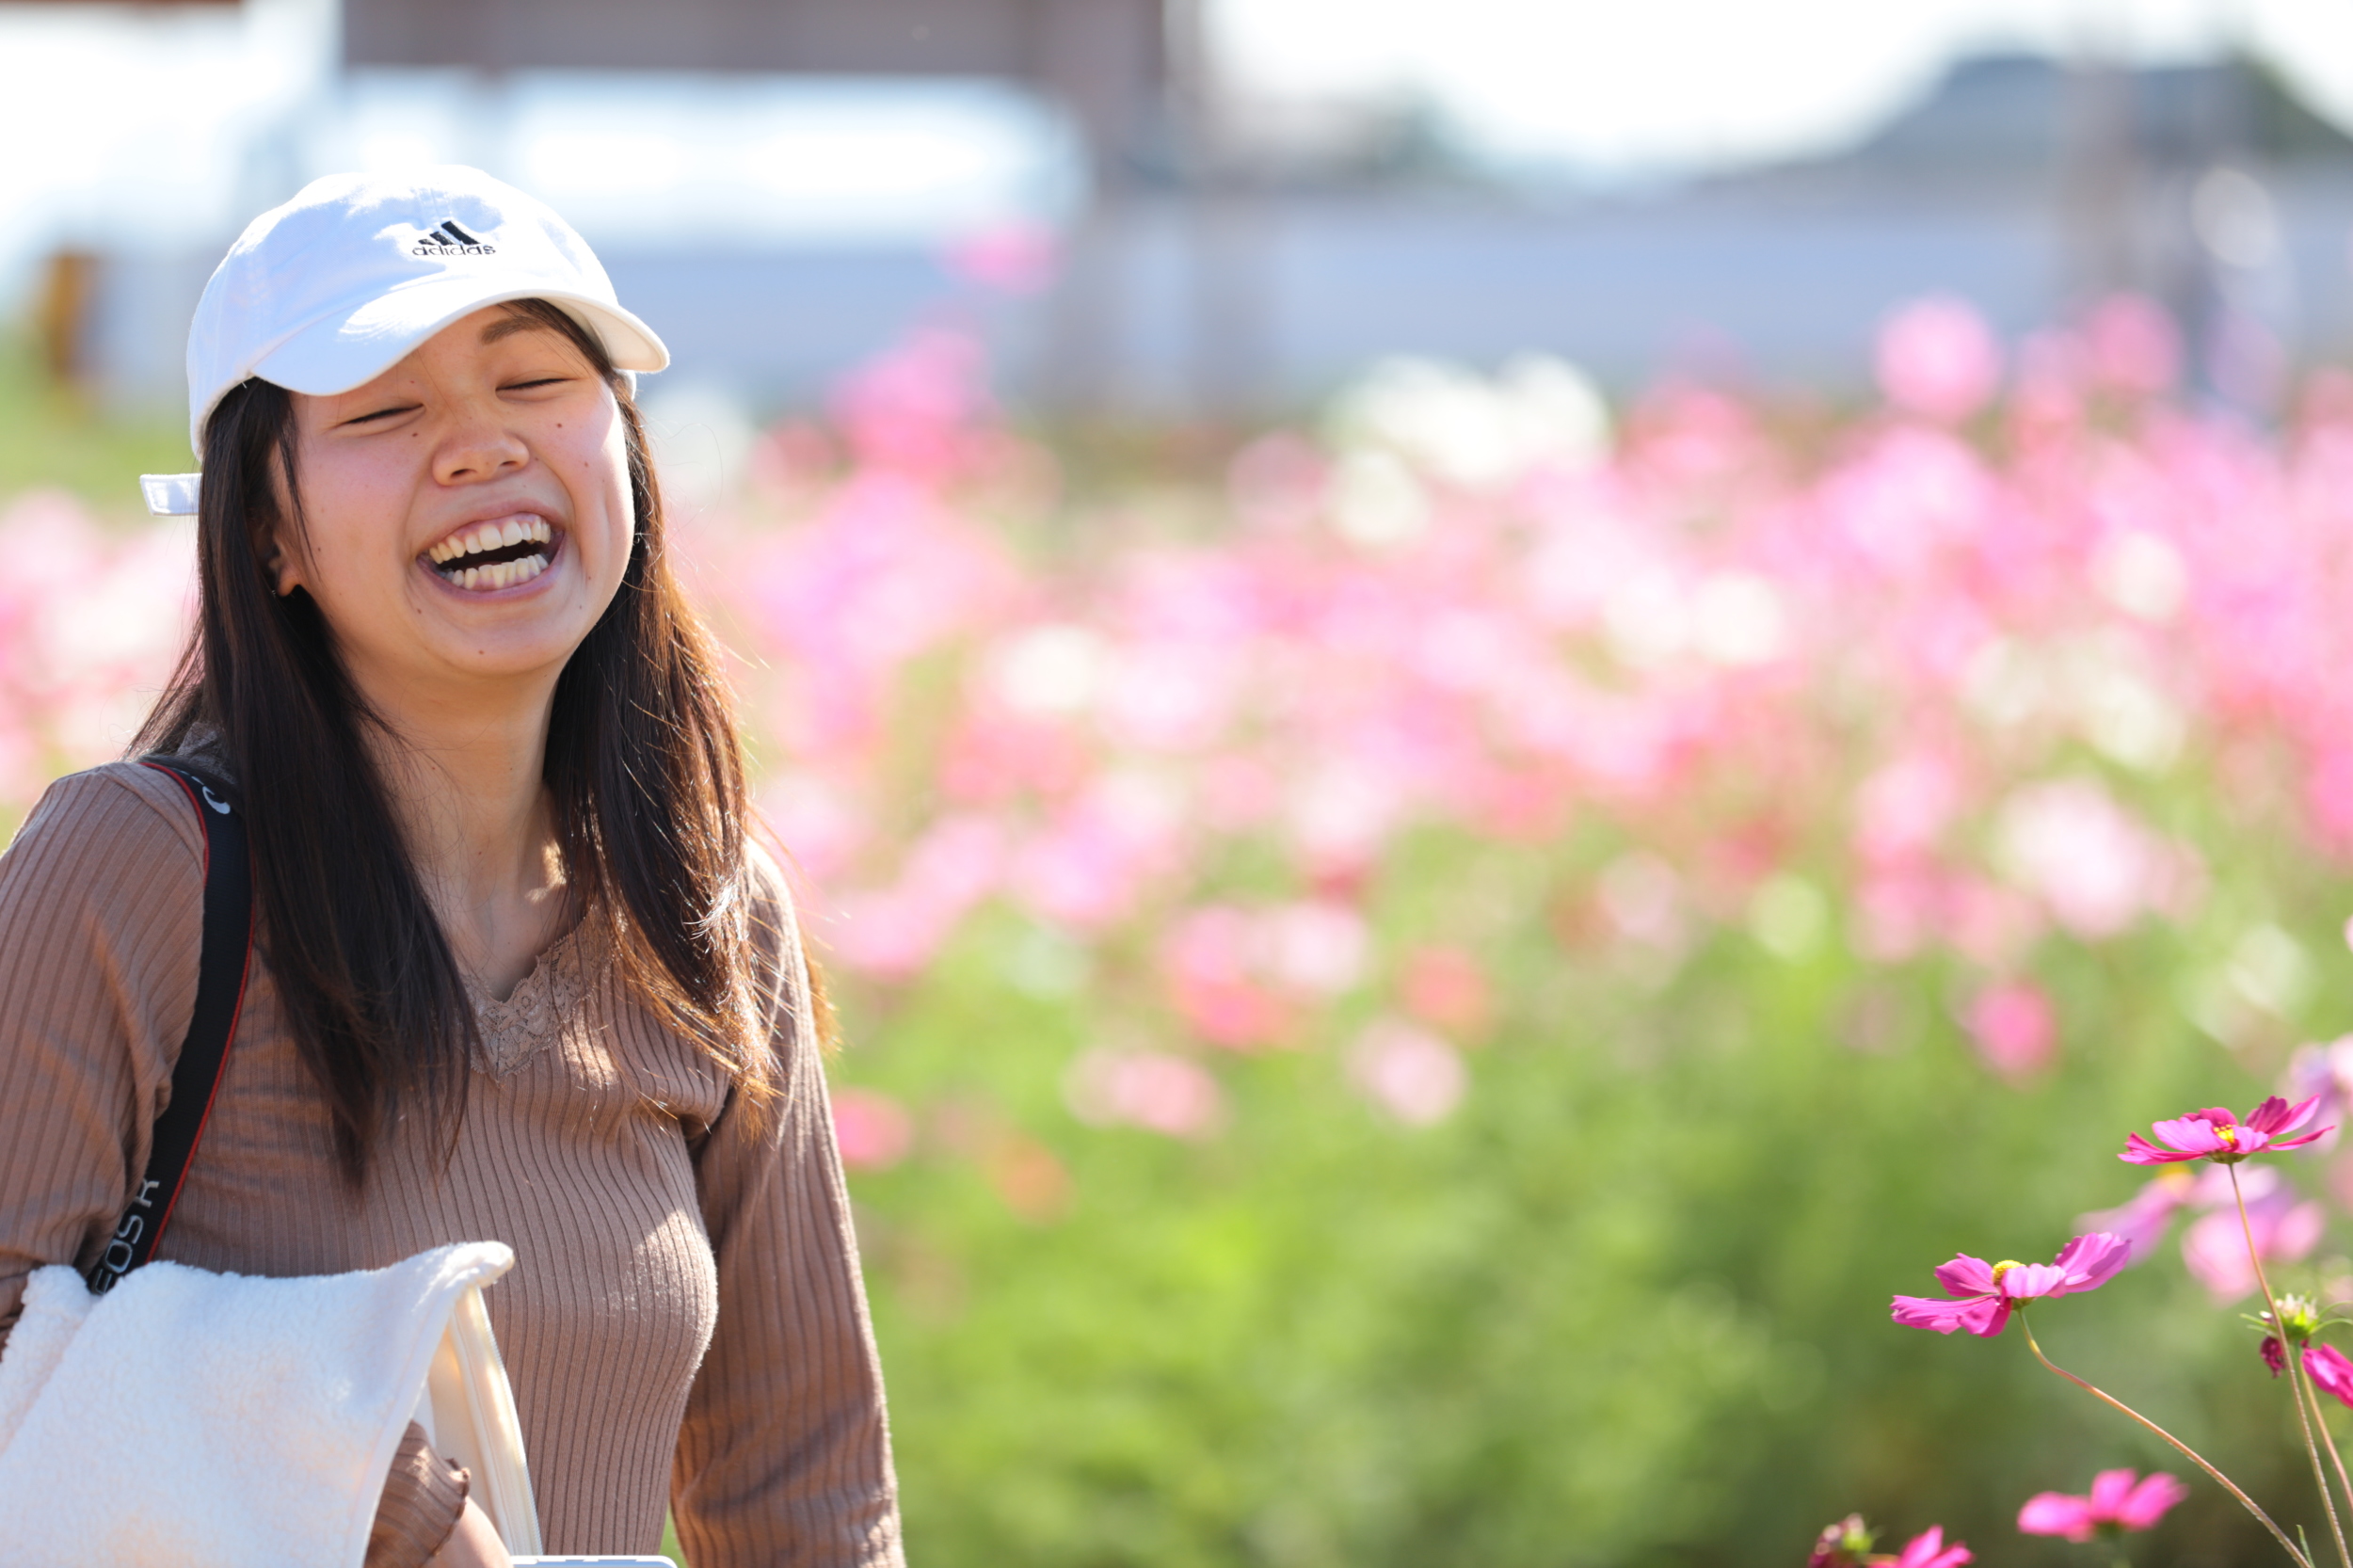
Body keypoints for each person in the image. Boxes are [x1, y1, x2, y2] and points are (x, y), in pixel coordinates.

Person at [0, 168, 904, 1567]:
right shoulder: (136, 866)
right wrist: (382, 1496)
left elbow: (807, 1488)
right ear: (267, 529)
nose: (482, 448)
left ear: (626, 451)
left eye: (536, 380)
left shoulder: (711, 910)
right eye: (384, 410)